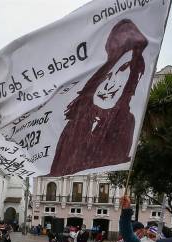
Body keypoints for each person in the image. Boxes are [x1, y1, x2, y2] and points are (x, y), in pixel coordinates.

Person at [49, 19, 148, 176]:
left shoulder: (126, 123)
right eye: (107, 74)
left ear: (131, 80)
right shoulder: (73, 124)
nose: (109, 85)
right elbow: (56, 171)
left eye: (122, 69)